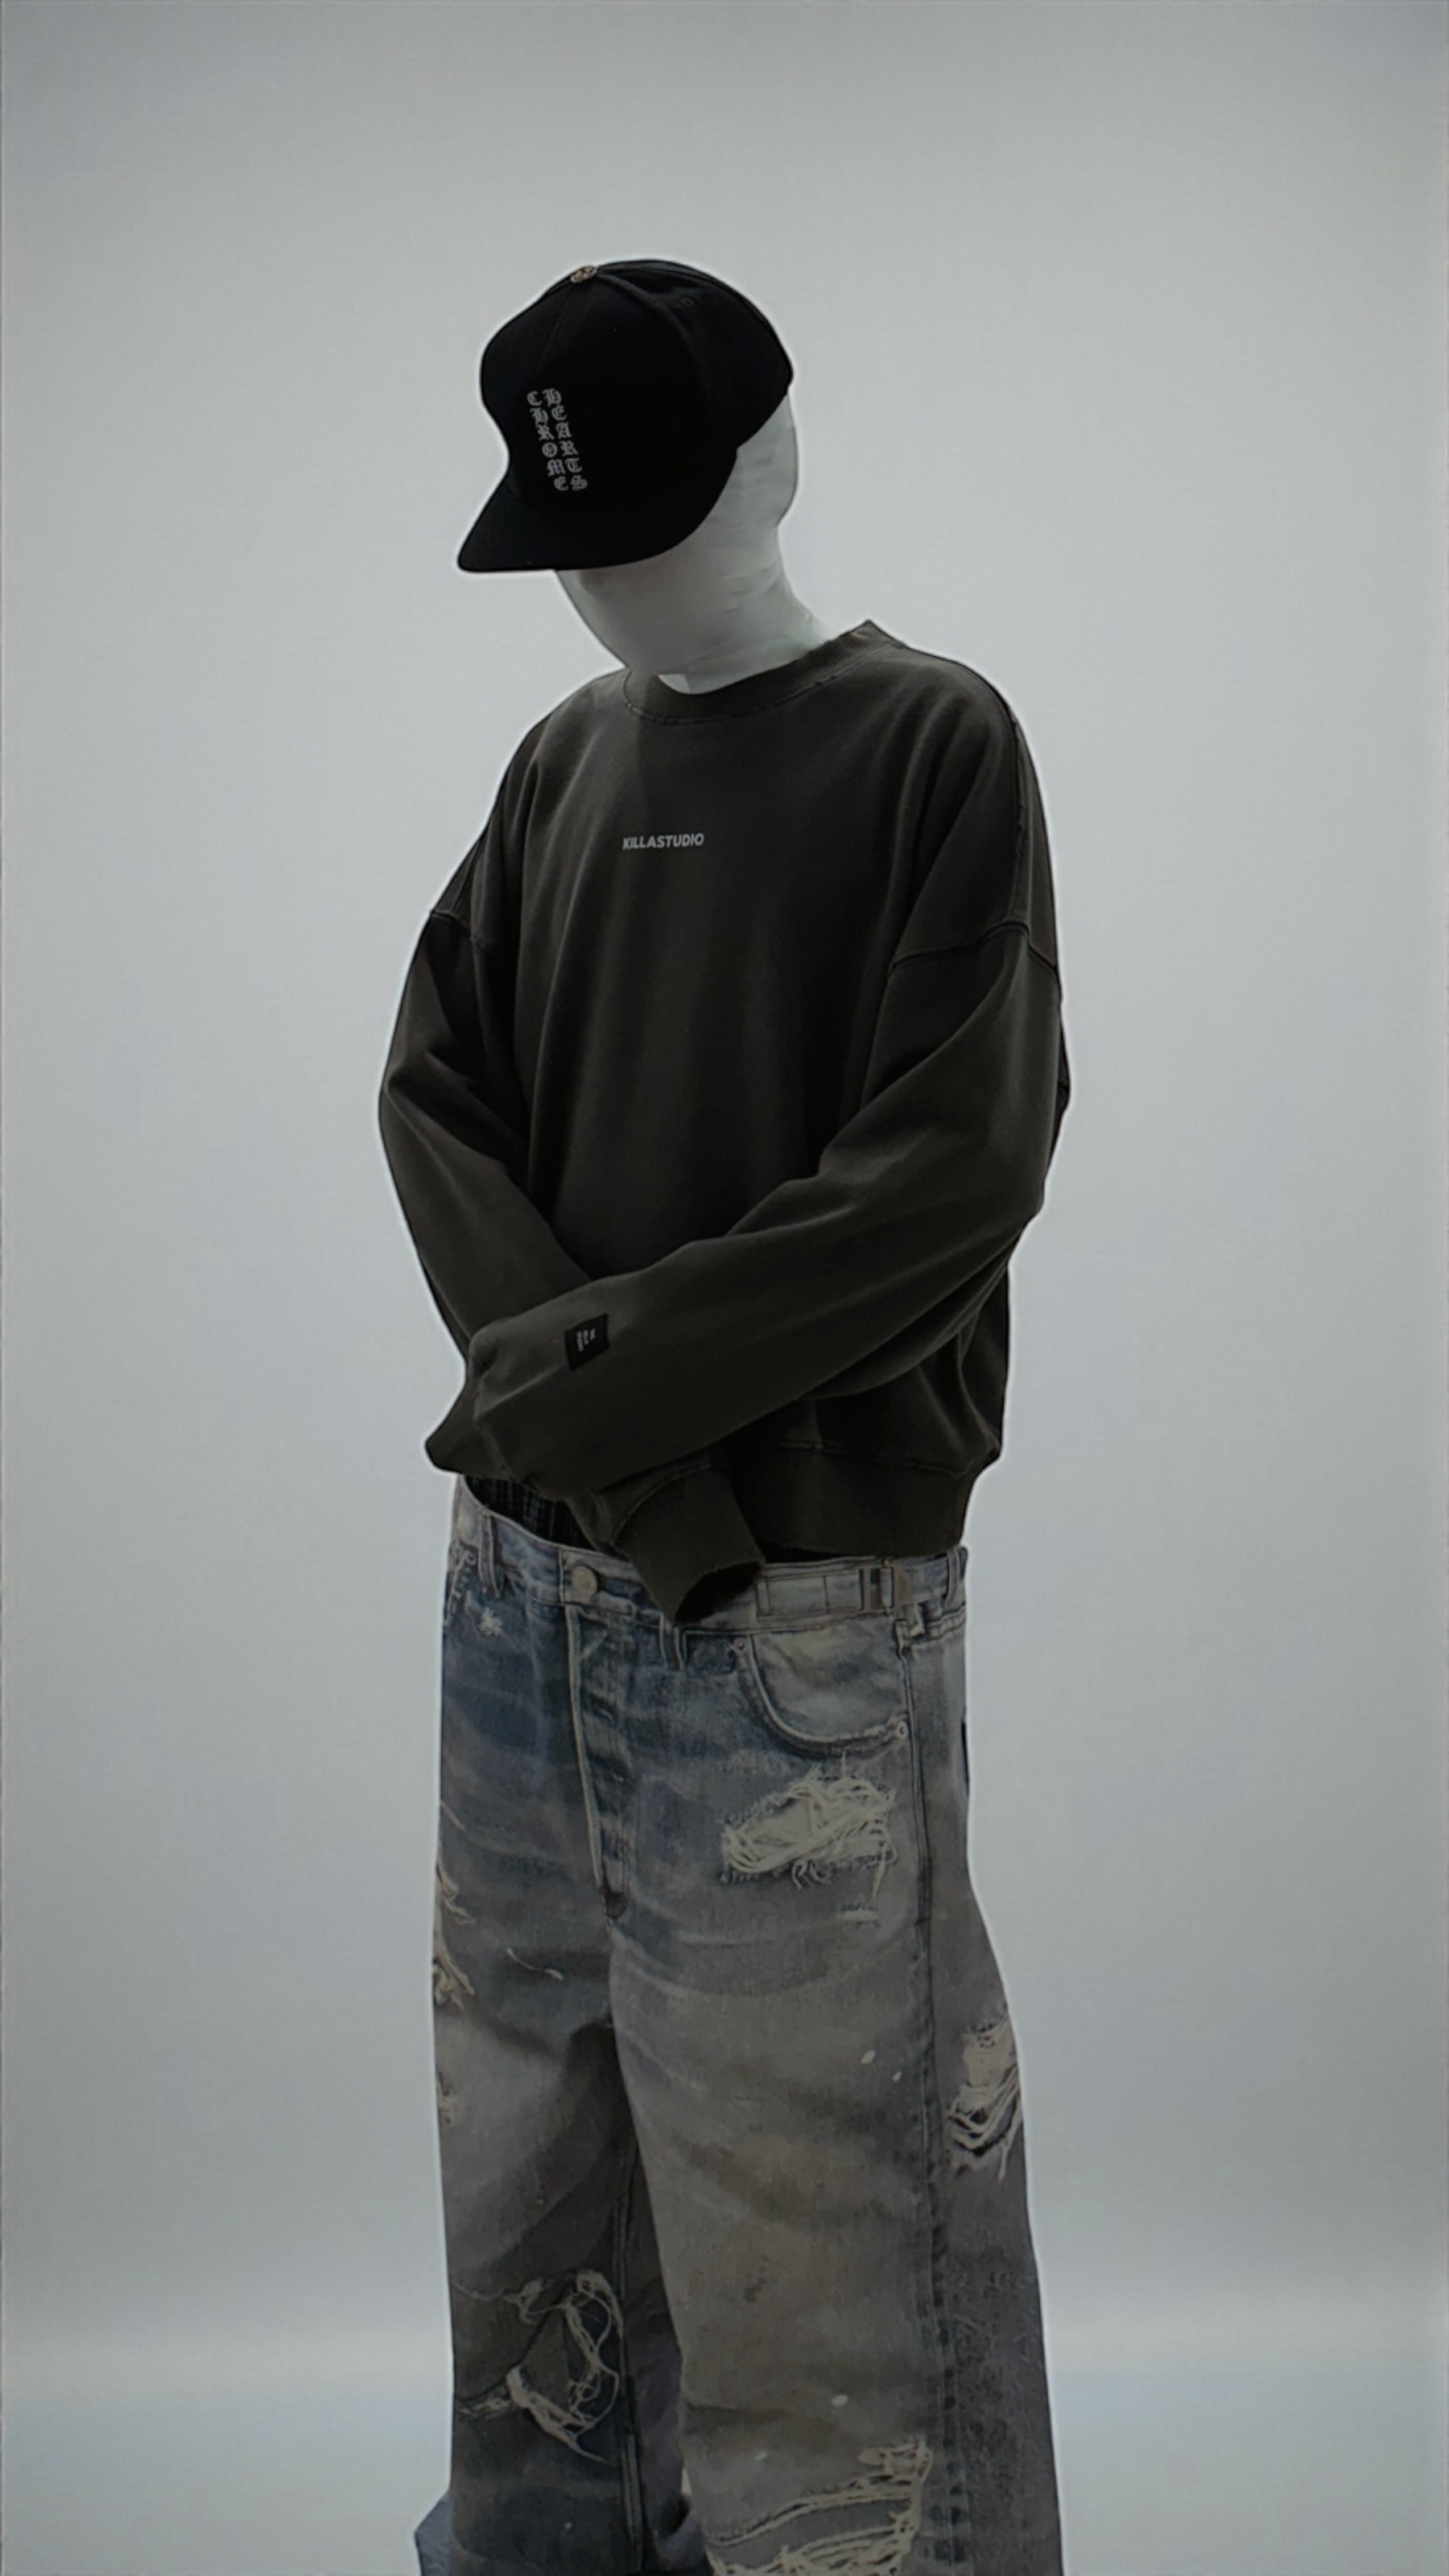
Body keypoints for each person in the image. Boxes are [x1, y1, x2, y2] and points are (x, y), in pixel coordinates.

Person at [379, 257, 1071, 2576]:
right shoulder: (561, 765)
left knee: (835, 2266)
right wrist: (589, 1441)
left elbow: (947, 1174)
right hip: (524, 1601)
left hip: (792, 1615)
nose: (609, 588)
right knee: (531, 2209)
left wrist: (593, 1414)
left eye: (647, 527)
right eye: (575, 546)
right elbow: (432, 1093)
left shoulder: (932, 747)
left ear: (772, 461)